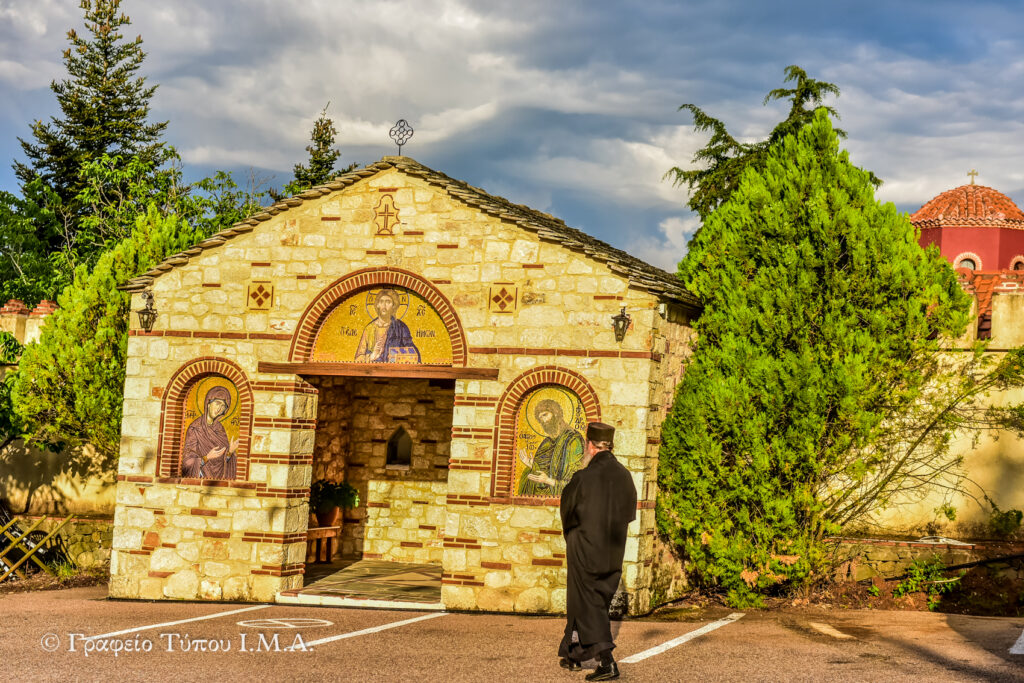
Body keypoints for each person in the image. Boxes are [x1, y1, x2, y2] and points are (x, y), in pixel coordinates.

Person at [558, 422, 637, 681]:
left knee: (587, 601)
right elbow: (629, 514)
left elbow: (567, 511)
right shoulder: (625, 476)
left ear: (590, 447)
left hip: (585, 548)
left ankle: (606, 661)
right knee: (593, 601)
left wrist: (572, 535)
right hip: (613, 550)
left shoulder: (584, 477)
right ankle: (573, 653)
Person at [516, 399, 584, 496]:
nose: (543, 421)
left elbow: (576, 481)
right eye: (540, 419)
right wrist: (532, 465)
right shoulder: (546, 443)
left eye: (545, 415)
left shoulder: (572, 440)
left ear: (556, 413)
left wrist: (549, 481)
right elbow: (543, 474)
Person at [180, 386, 238, 479]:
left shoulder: (220, 429)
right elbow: (186, 463)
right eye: (217, 403)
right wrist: (207, 458)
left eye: (223, 406)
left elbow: (224, 462)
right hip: (200, 480)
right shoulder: (195, 428)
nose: (220, 408)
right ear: (208, 403)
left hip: (220, 481)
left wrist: (230, 452)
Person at [353, 288, 420, 363]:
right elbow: (358, 359)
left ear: (394, 306)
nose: (384, 305)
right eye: (381, 302)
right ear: (377, 305)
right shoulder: (369, 329)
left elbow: (412, 352)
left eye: (388, 302)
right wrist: (372, 356)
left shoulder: (400, 328)